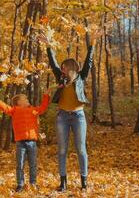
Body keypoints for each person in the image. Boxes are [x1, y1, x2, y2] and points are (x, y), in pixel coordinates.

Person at [39, 34, 95, 191]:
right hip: (62, 117)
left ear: (70, 68)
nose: (61, 70)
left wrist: (93, 43)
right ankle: (63, 182)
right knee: (62, 149)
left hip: (78, 116)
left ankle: (84, 182)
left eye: (63, 68)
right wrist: (48, 45)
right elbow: (53, 63)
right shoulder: (60, 78)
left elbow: (89, 62)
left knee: (81, 149)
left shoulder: (81, 77)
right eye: (61, 68)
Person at [0, 90, 50, 192]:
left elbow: (43, 107)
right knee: (20, 164)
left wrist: (46, 95)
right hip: (20, 143)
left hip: (32, 142)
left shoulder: (33, 110)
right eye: (25, 98)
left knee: (33, 164)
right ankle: (20, 184)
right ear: (19, 102)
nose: (27, 99)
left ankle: (33, 183)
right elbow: (3, 106)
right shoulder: (14, 110)